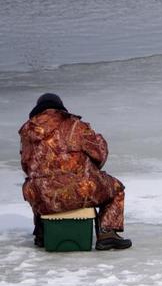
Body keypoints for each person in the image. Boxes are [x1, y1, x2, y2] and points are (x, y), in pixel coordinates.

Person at [19, 93, 131, 250]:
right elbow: (100, 154)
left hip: (42, 196)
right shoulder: (74, 126)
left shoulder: (27, 132)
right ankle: (107, 234)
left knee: (37, 185)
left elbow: (26, 166)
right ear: (60, 108)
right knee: (116, 188)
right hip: (77, 191)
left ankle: (42, 233)